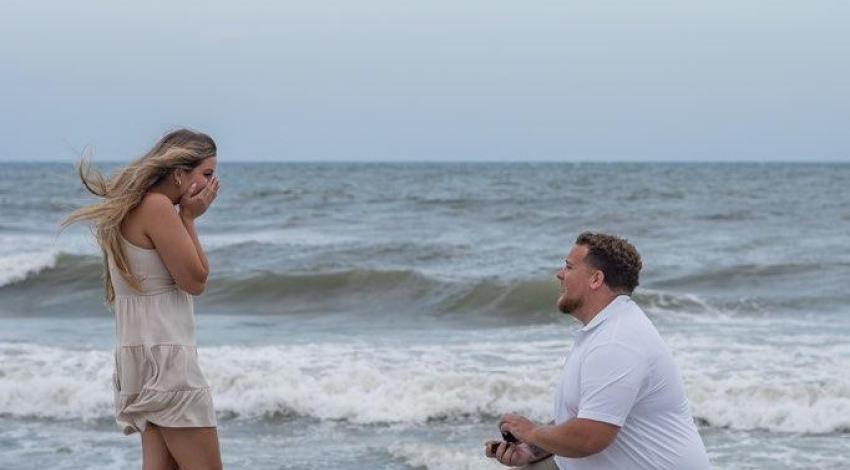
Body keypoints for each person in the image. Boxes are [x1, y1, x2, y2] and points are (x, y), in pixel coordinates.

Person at [63, 129, 223, 470]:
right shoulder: (157, 207)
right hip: (167, 360)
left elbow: (198, 274)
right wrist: (189, 217)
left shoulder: (137, 206)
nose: (212, 185)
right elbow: (195, 281)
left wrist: (186, 218)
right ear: (180, 173)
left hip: (141, 356)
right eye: (206, 174)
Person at [485, 232, 710, 470]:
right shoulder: (604, 329)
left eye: (569, 267)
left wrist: (532, 433)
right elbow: (585, 417)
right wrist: (531, 450)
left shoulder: (616, 342)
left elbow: (589, 438)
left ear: (596, 279)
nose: (559, 274)